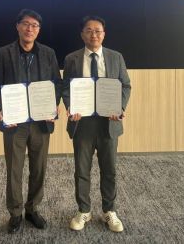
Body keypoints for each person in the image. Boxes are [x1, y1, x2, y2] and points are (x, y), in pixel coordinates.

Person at [0, 9, 62, 234]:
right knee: (14, 169)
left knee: (39, 168)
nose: (30, 29)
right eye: (26, 24)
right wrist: (1, 109)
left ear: (39, 30)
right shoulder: (4, 53)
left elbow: (56, 83)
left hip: (41, 122)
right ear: (18, 26)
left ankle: (32, 209)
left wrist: (53, 105)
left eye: (35, 25)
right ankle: (15, 213)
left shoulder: (48, 53)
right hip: (15, 123)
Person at [62, 15, 131, 233]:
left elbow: (125, 86)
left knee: (109, 169)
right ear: (82, 34)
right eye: (89, 30)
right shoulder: (71, 59)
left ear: (104, 34)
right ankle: (84, 210)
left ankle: (109, 210)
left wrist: (120, 107)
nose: (94, 34)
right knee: (81, 170)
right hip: (82, 123)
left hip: (108, 123)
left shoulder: (116, 57)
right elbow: (66, 88)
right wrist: (70, 107)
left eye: (98, 30)